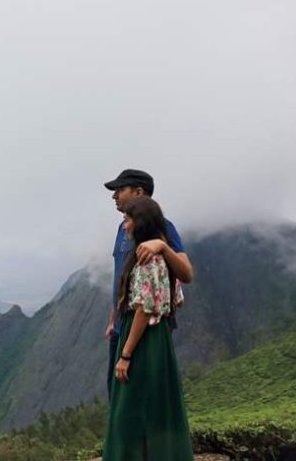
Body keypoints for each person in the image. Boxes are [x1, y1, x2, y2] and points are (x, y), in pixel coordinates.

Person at [103, 196, 193, 460]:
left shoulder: (147, 257)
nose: (125, 226)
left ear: (140, 222)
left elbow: (144, 307)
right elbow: (176, 297)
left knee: (129, 405)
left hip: (141, 337)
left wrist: (126, 355)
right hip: (157, 336)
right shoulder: (157, 253)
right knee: (157, 401)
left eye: (128, 220)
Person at [103, 169, 193, 397]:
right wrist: (113, 316)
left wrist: (161, 246)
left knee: (139, 398)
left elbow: (186, 273)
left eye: (120, 190)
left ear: (139, 192)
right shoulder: (122, 229)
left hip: (146, 326)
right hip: (121, 326)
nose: (114, 196)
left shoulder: (163, 227)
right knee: (117, 395)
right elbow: (123, 273)